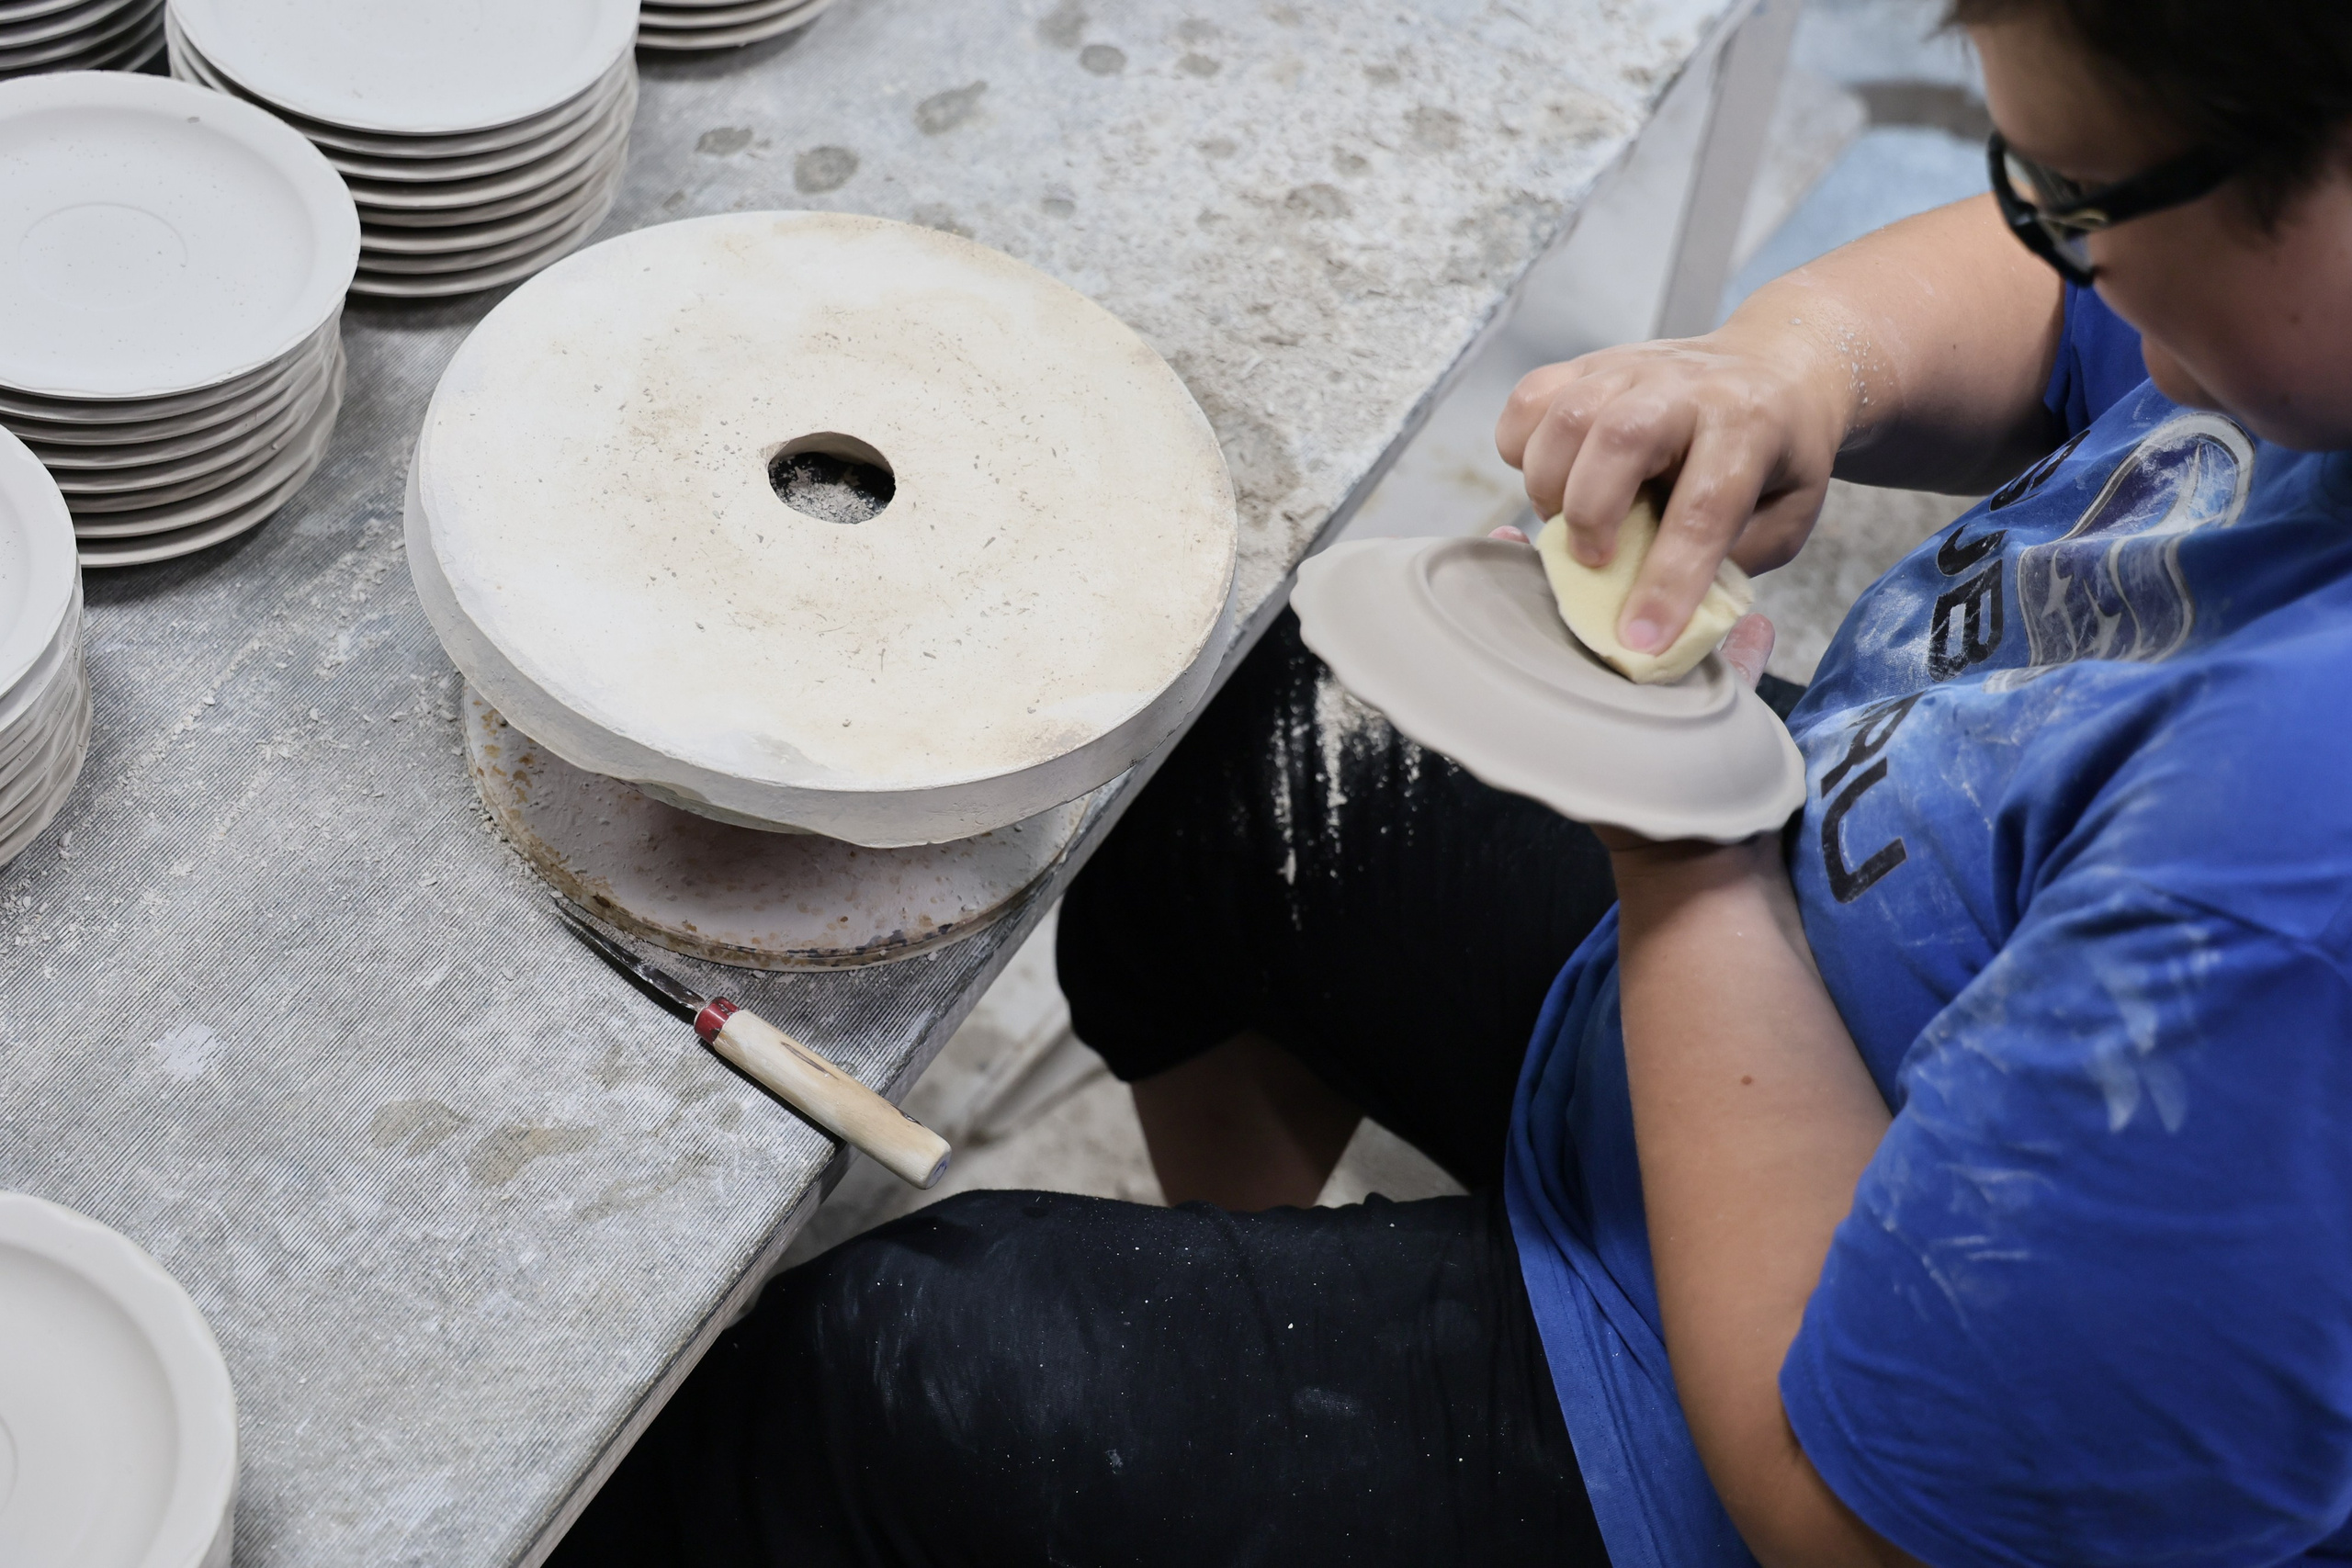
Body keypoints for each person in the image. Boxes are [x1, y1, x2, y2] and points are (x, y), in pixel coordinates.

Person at [549, 3, 2352, 1563]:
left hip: (1773, 1456)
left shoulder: (2286, 877)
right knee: (1232, 752)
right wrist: (1790, 364)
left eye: (2075, 195)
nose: (2052, 239)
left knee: (881, 1384)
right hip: (1848, 966)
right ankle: (1301, 1326)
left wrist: (1682, 854)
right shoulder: (2276, 298)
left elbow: (1855, 1513)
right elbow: (2048, 313)